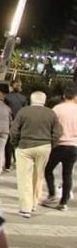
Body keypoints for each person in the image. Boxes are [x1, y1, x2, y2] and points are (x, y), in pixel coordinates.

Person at [10, 91, 61, 218]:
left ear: (31, 100)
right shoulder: (51, 113)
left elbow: (14, 130)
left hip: (25, 147)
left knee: (24, 178)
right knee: (38, 176)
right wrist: (51, 144)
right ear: (44, 101)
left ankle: (25, 208)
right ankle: (34, 203)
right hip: (44, 147)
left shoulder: (23, 111)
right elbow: (58, 132)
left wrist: (15, 143)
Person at [43, 82, 77, 211]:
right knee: (67, 174)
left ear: (64, 96)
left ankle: (52, 194)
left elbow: (49, 126)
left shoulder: (57, 109)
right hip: (73, 146)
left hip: (58, 145)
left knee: (48, 170)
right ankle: (63, 202)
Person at [3, 79, 27, 171]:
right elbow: (25, 111)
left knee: (8, 144)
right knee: (17, 143)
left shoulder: (7, 97)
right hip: (20, 123)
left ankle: (8, 165)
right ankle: (17, 161)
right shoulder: (24, 98)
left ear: (11, 86)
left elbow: (5, 110)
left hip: (9, 122)